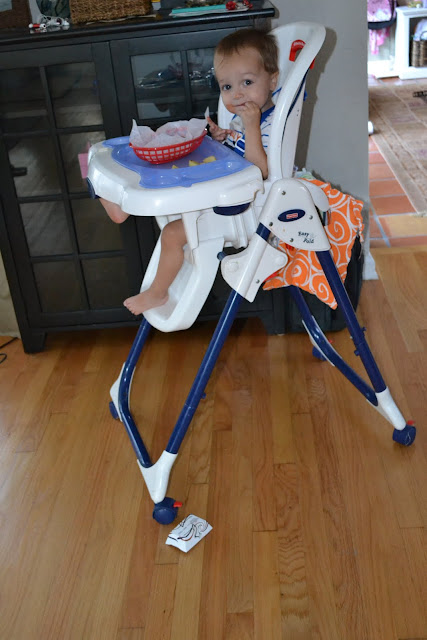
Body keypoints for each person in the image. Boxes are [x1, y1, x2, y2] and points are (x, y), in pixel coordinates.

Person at [100, 28, 279, 316]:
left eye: (247, 82)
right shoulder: (245, 117)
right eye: (227, 86)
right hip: (226, 196)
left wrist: (251, 127)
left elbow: (258, 171)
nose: (237, 94)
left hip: (245, 210)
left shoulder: (269, 124)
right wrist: (224, 139)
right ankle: (122, 204)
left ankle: (158, 293)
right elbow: (241, 153)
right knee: (172, 183)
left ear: (272, 80)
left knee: (173, 234)